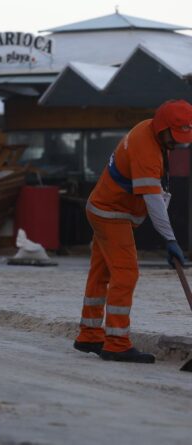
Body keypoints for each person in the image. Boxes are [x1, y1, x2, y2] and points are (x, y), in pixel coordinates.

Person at [75, 99, 192, 363]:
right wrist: (170, 240)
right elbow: (153, 202)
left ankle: (90, 334)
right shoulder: (147, 151)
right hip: (110, 213)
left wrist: (167, 238)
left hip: (103, 207)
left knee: (101, 272)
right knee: (126, 273)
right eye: (175, 137)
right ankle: (116, 343)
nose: (179, 143)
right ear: (162, 128)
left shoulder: (150, 131)